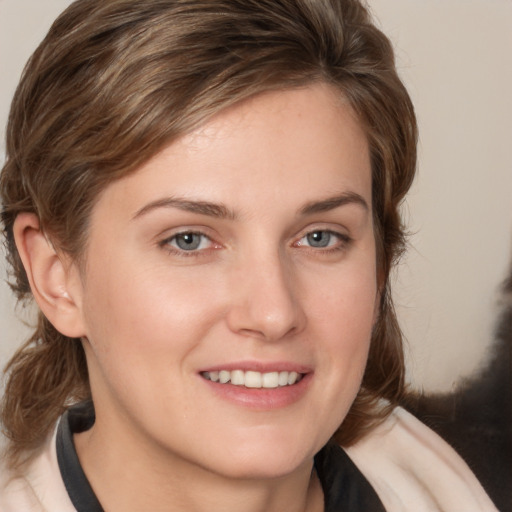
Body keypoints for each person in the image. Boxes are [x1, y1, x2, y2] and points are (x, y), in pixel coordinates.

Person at [0, 0, 497, 510]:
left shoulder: (456, 488)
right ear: (56, 274)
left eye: (320, 237)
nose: (274, 314)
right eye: (188, 240)